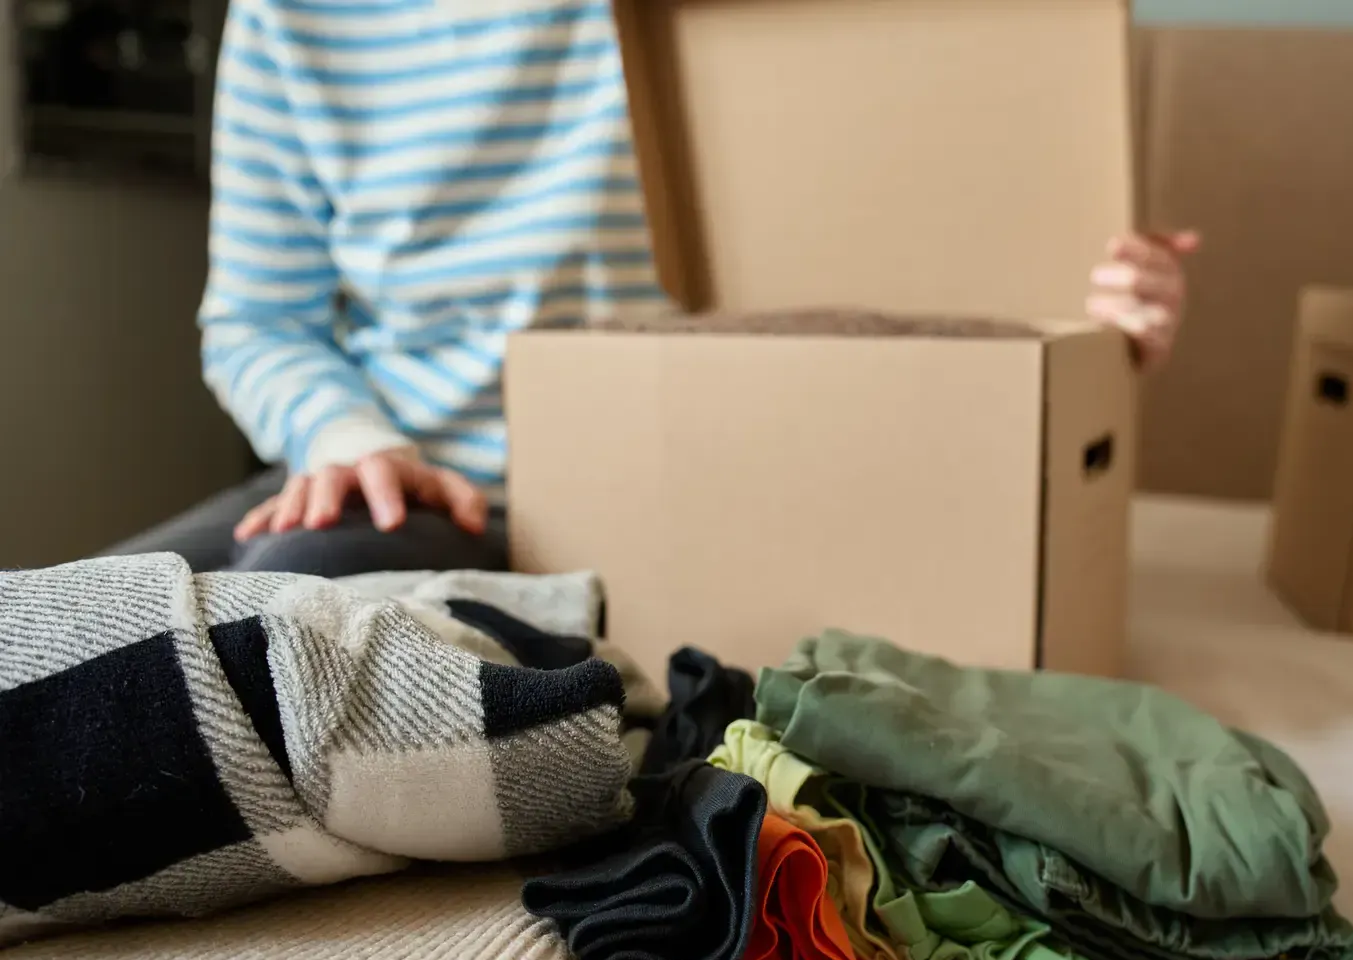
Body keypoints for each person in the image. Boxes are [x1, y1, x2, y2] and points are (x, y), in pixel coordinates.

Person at [108, 0, 1198, 578]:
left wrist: (1086, 315)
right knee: (73, 624)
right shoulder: (292, 20)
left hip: (695, 497)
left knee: (284, 600)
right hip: (417, 481)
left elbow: (899, 211)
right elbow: (258, 319)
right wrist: (347, 438)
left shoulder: (729, 23)